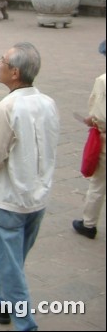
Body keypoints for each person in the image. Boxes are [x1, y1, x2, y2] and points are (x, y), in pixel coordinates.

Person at [0, 42, 60, 331]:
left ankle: (25, 323)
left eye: (3, 61)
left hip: (7, 199)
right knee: (13, 260)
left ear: (15, 72)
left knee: (10, 265)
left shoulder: (7, 108)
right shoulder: (48, 103)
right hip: (37, 196)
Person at [73, 39, 106, 239]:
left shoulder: (103, 81)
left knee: (98, 184)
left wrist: (90, 119)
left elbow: (99, 115)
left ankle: (89, 223)